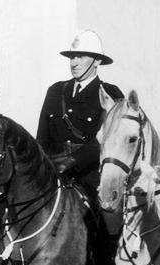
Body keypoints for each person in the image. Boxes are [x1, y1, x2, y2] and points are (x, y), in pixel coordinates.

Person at [37, 30, 123, 205]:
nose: (74, 63)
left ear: (97, 61)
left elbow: (109, 140)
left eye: (81, 56)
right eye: (72, 57)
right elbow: (42, 138)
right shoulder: (55, 91)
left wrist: (73, 161)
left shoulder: (110, 93)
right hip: (54, 175)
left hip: (90, 178)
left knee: (106, 224)